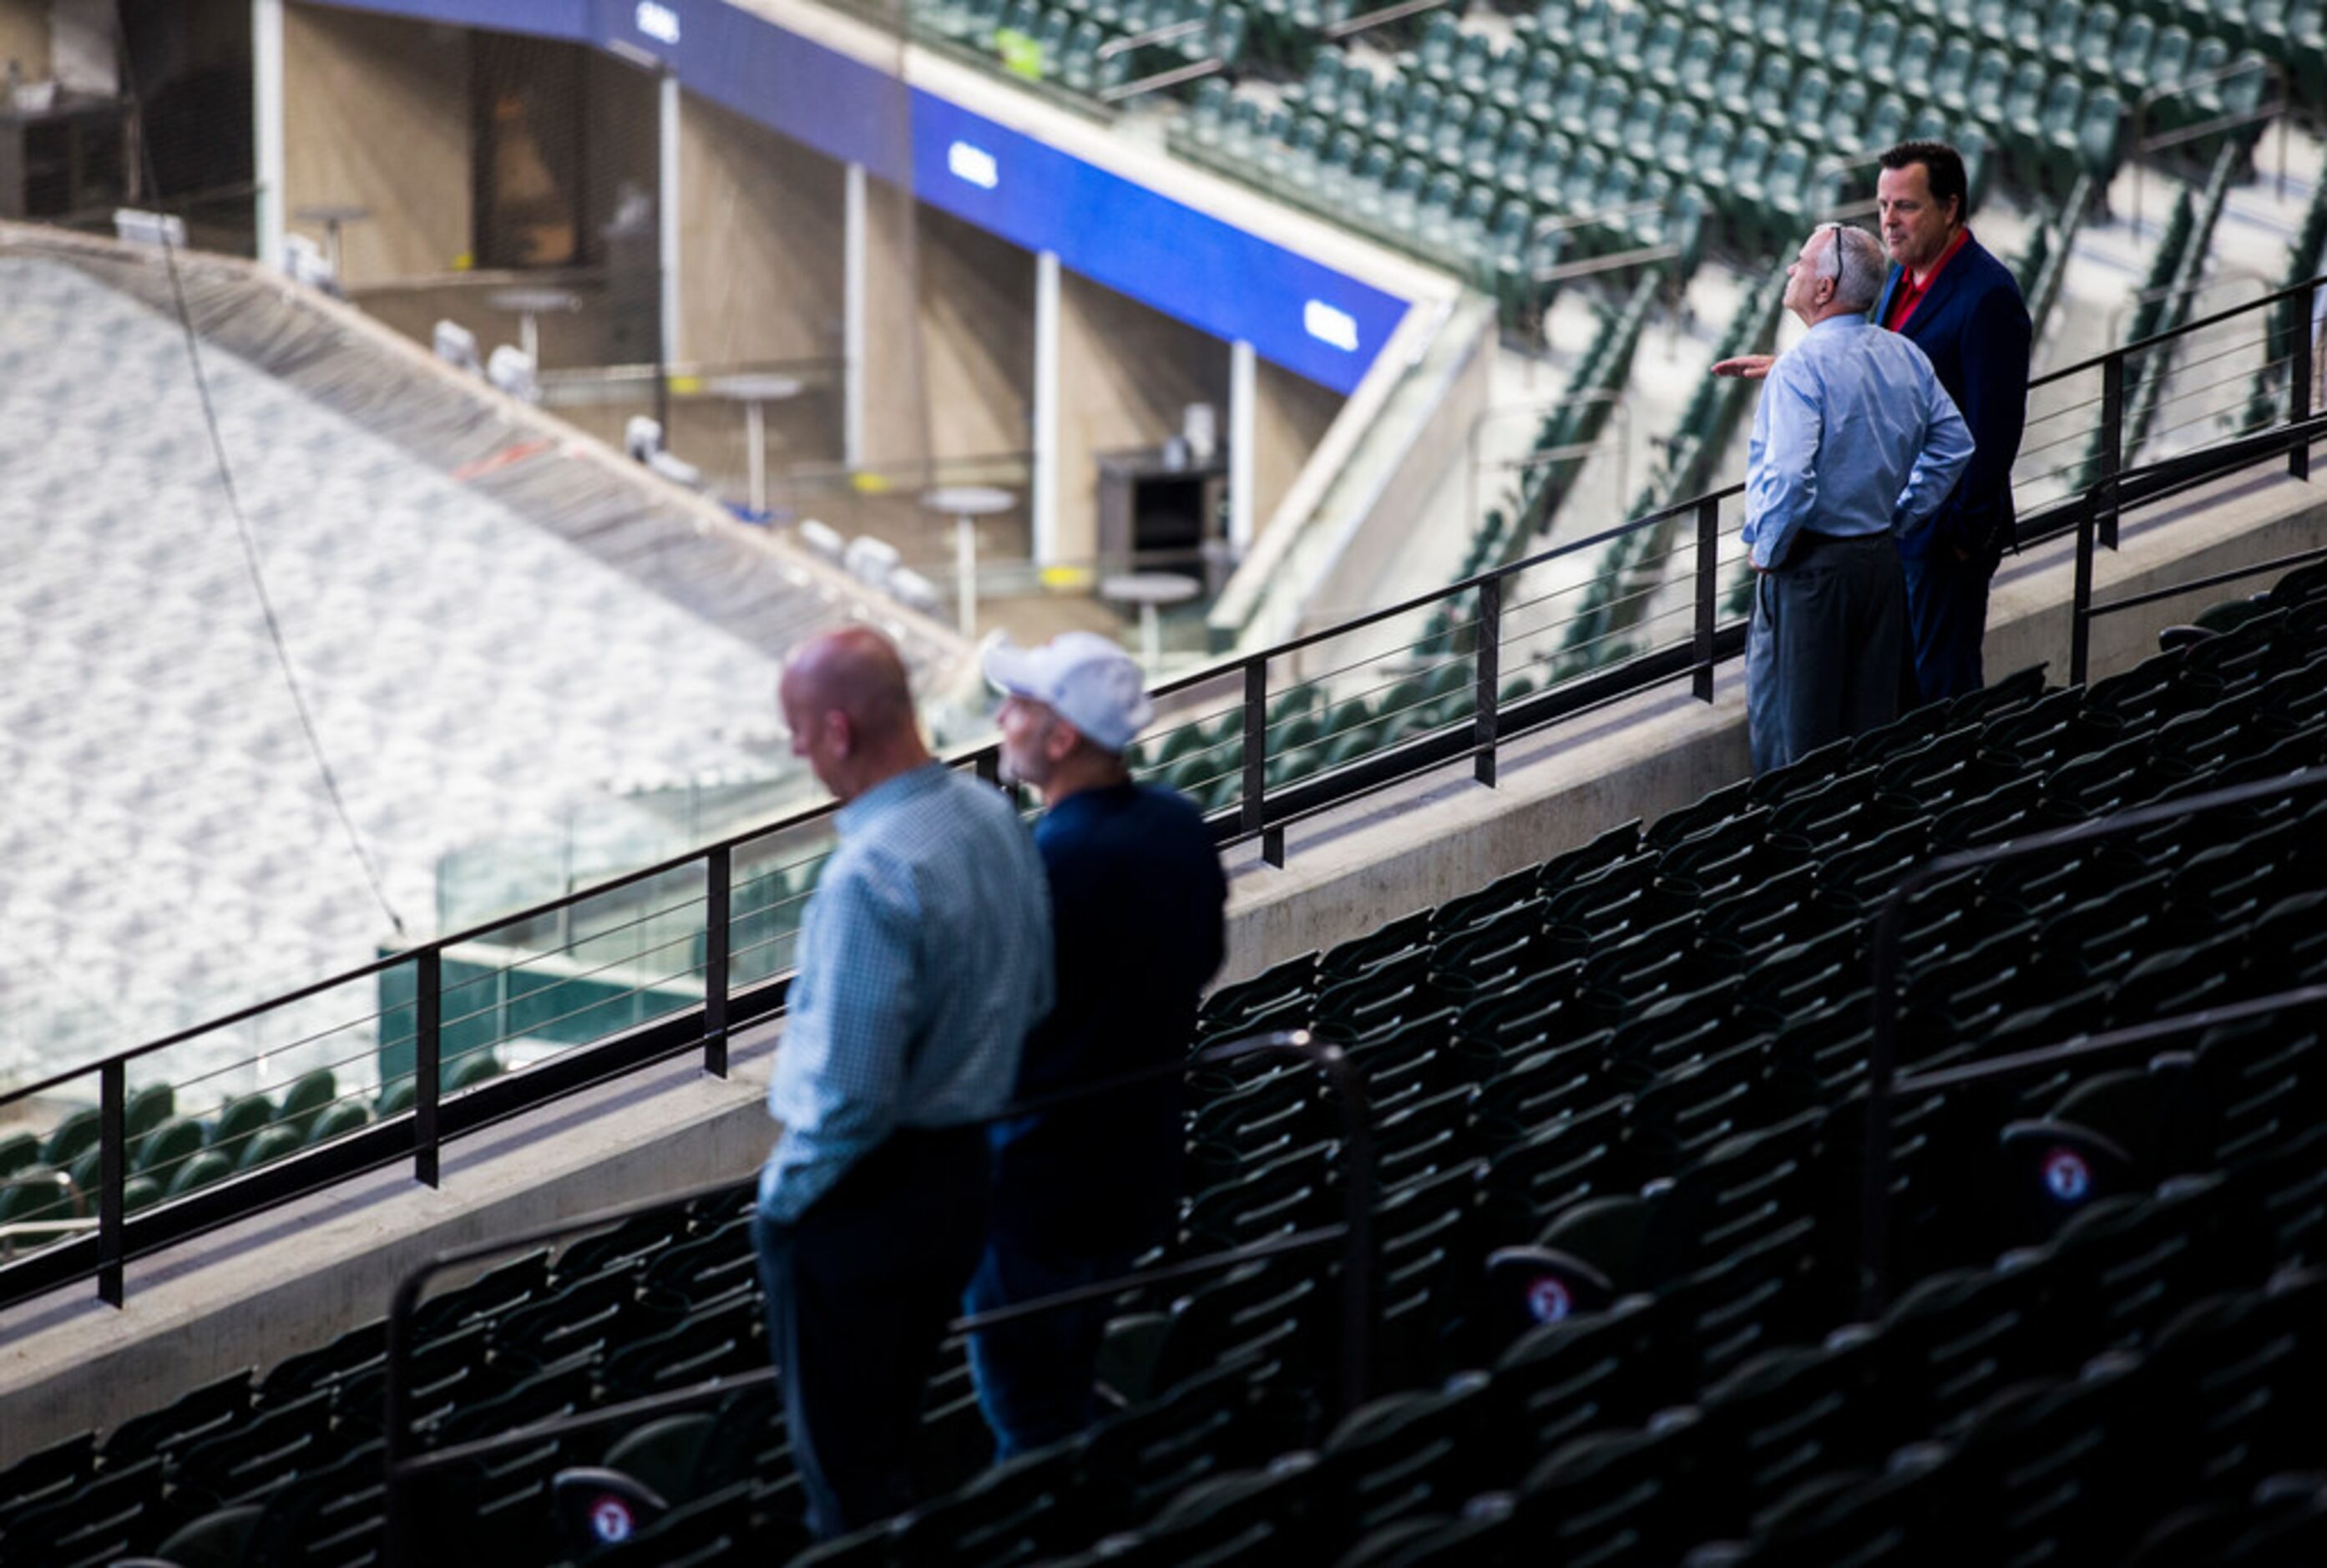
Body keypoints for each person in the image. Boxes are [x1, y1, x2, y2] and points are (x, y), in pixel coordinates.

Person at [752, 625, 1053, 1540]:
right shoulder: (992, 817)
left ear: (838, 731)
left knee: (848, 1475)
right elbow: (1035, 996)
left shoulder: (869, 874)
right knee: (896, 1433)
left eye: (799, 731)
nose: (798, 750)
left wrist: (783, 1202)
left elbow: (850, 1096)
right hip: (968, 1178)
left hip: (862, 1204)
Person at [966, 631, 1228, 1459]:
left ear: (1062, 737)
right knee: (1071, 1370)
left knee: (1025, 1409)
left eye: (1019, 706)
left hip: (1037, 1184)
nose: (1001, 719)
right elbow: (1204, 959)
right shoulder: (1178, 825)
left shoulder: (1046, 863)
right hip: (1137, 1163)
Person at [1717, 142, 2031, 704]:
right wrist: (1791, 366)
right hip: (1890, 532)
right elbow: (1869, 367)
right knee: (1891, 697)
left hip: (1938, 537)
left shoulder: (1987, 296)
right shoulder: (1894, 280)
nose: (1888, 219)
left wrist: (1957, 534)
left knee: (1941, 690)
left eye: (1905, 206)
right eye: (1883, 205)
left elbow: (1992, 430)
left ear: (1950, 208)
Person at [1740, 224, 1975, 774]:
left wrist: (1768, 550)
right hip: (1878, 560)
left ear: (1824, 289)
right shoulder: (1904, 355)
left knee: (1797, 751)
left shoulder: (1798, 370)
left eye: (1800, 262)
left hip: (1810, 571)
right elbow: (1953, 443)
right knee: (1870, 743)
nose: (1792, 270)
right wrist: (1899, 516)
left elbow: (1792, 482)